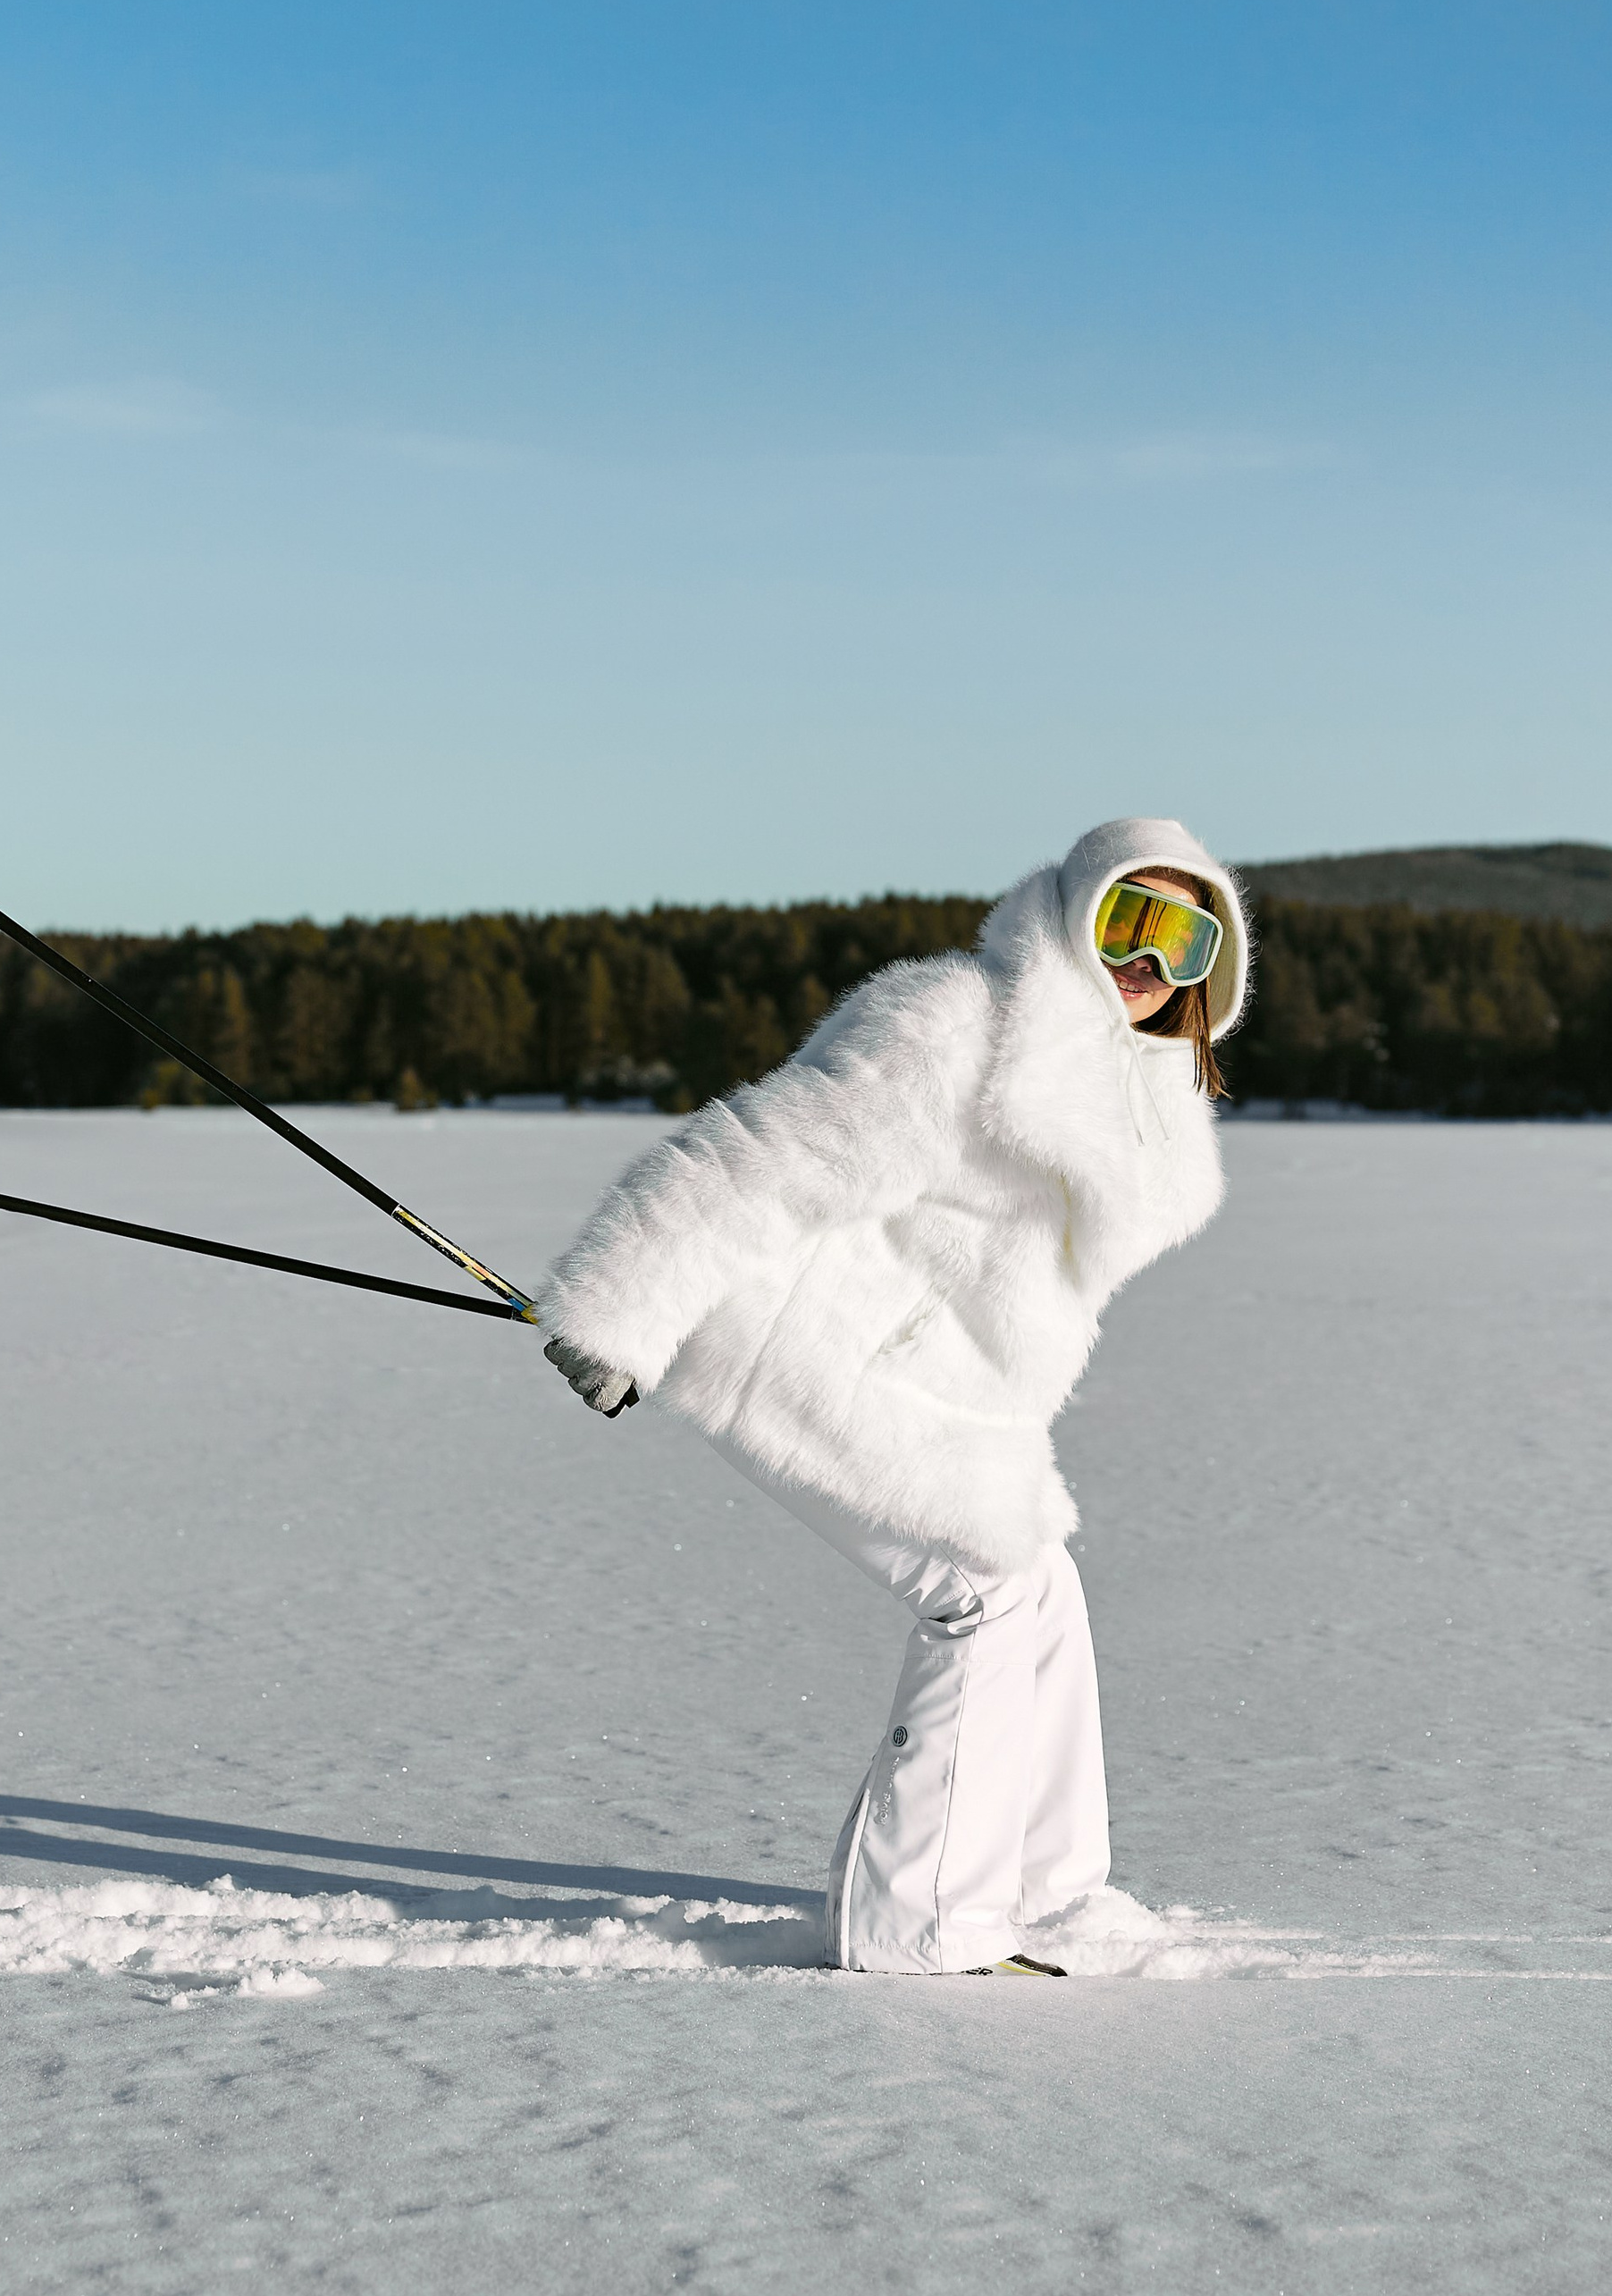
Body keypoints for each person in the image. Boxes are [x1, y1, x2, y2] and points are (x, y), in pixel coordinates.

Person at [535, 818, 1250, 1978]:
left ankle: (1049, 1894)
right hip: (811, 1356)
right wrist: (623, 1309)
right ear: (1076, 912)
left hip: (947, 1399)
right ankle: (920, 1923)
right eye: (1132, 920)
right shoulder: (956, 1023)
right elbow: (766, 1156)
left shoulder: (1142, 1091)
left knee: (1044, 1583)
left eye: (1189, 939)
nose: (1152, 963)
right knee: (980, 1591)